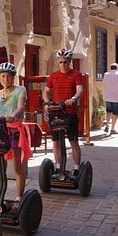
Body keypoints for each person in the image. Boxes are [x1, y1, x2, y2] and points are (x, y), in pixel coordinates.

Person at [0, 61, 31, 211]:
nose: (6, 79)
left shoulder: (20, 90)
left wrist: (12, 115)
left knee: (17, 167)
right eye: (3, 76)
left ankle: (19, 198)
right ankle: (0, 197)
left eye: (8, 76)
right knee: (0, 167)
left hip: (14, 130)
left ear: (13, 77)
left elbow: (20, 107)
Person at [42, 48, 84, 176]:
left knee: (73, 140)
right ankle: (58, 167)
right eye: (60, 62)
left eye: (65, 62)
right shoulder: (54, 76)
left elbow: (80, 90)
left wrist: (73, 99)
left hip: (70, 111)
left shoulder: (76, 74)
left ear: (70, 61)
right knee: (56, 141)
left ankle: (76, 168)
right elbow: (46, 91)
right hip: (55, 112)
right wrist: (47, 102)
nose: (63, 65)